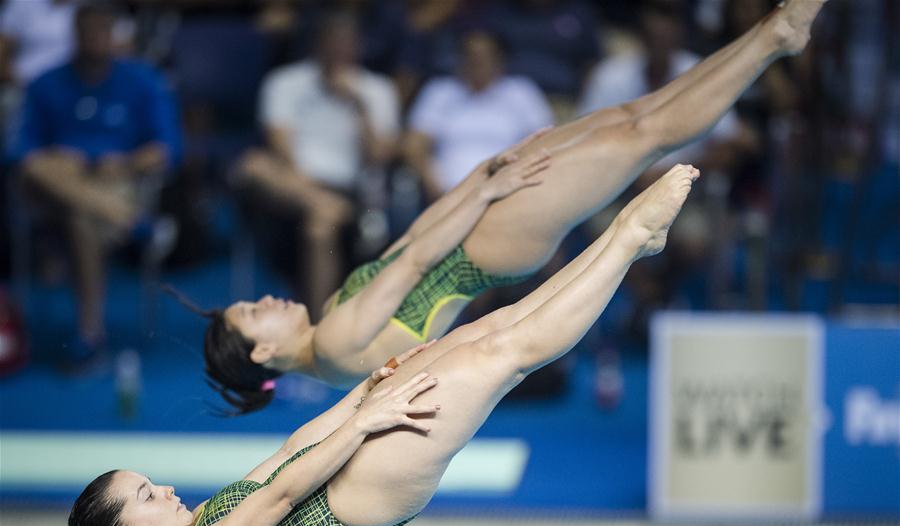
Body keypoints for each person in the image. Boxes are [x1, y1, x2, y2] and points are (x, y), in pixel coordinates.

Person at [62, 161, 700, 526]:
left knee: (488, 332)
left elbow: (283, 459)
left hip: (344, 473)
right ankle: (628, 241)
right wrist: (368, 421)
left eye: (152, 483)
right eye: (147, 495)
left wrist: (361, 393)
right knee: (505, 356)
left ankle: (629, 238)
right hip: (355, 500)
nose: (165, 489)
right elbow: (285, 494)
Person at [202, 0, 828, 409]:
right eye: (255, 313)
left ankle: (767, 35)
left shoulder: (332, 320)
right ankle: (774, 39)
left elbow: (406, 243)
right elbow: (418, 259)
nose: (267, 300)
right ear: (262, 353)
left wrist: (480, 176)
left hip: (478, 222)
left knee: (629, 118)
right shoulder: (335, 342)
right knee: (645, 137)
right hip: (488, 243)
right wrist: (484, 187)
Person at [8, 2, 180, 368]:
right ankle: (131, 220)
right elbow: (20, 153)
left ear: (116, 35)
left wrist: (126, 162)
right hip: (54, 189)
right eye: (88, 32)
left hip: (116, 182)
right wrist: (71, 159)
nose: (95, 40)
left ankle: (89, 335)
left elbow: (167, 150)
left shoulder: (142, 80)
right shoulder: (45, 82)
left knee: (81, 218)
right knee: (41, 167)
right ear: (75, 35)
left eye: (104, 31)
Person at [232, 10, 400, 315]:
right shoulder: (285, 81)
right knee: (251, 164)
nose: (338, 49)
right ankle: (322, 202)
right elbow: (278, 143)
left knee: (320, 227)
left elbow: (379, 158)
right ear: (317, 44)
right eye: (331, 41)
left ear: (358, 46)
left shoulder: (377, 90)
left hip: (350, 188)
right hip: (293, 180)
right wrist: (306, 186)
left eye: (345, 42)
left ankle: (315, 321)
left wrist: (359, 107)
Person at [404, 28, 553, 201]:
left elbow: (545, 140)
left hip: (509, 192)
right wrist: (433, 184)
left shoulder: (521, 92)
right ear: (460, 59)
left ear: (500, 59)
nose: (477, 62)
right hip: (446, 193)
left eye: (485, 56)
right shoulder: (440, 91)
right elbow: (413, 146)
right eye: (471, 56)